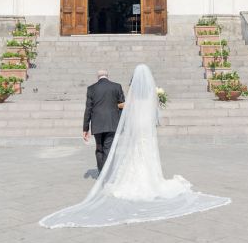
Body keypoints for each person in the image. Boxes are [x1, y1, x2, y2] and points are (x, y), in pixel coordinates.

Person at [40, 64, 230, 228]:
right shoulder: (146, 95)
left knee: (104, 149)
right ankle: (147, 177)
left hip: (112, 125)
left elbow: (111, 108)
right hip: (144, 130)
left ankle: (104, 171)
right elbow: (136, 108)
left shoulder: (99, 90)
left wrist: (87, 126)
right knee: (138, 152)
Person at [82, 70, 125, 173]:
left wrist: (85, 128)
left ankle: (101, 172)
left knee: (99, 148)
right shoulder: (116, 86)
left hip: (97, 124)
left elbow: (88, 109)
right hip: (112, 122)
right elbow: (123, 104)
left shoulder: (91, 88)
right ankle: (105, 174)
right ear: (107, 76)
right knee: (108, 148)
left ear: (98, 77)